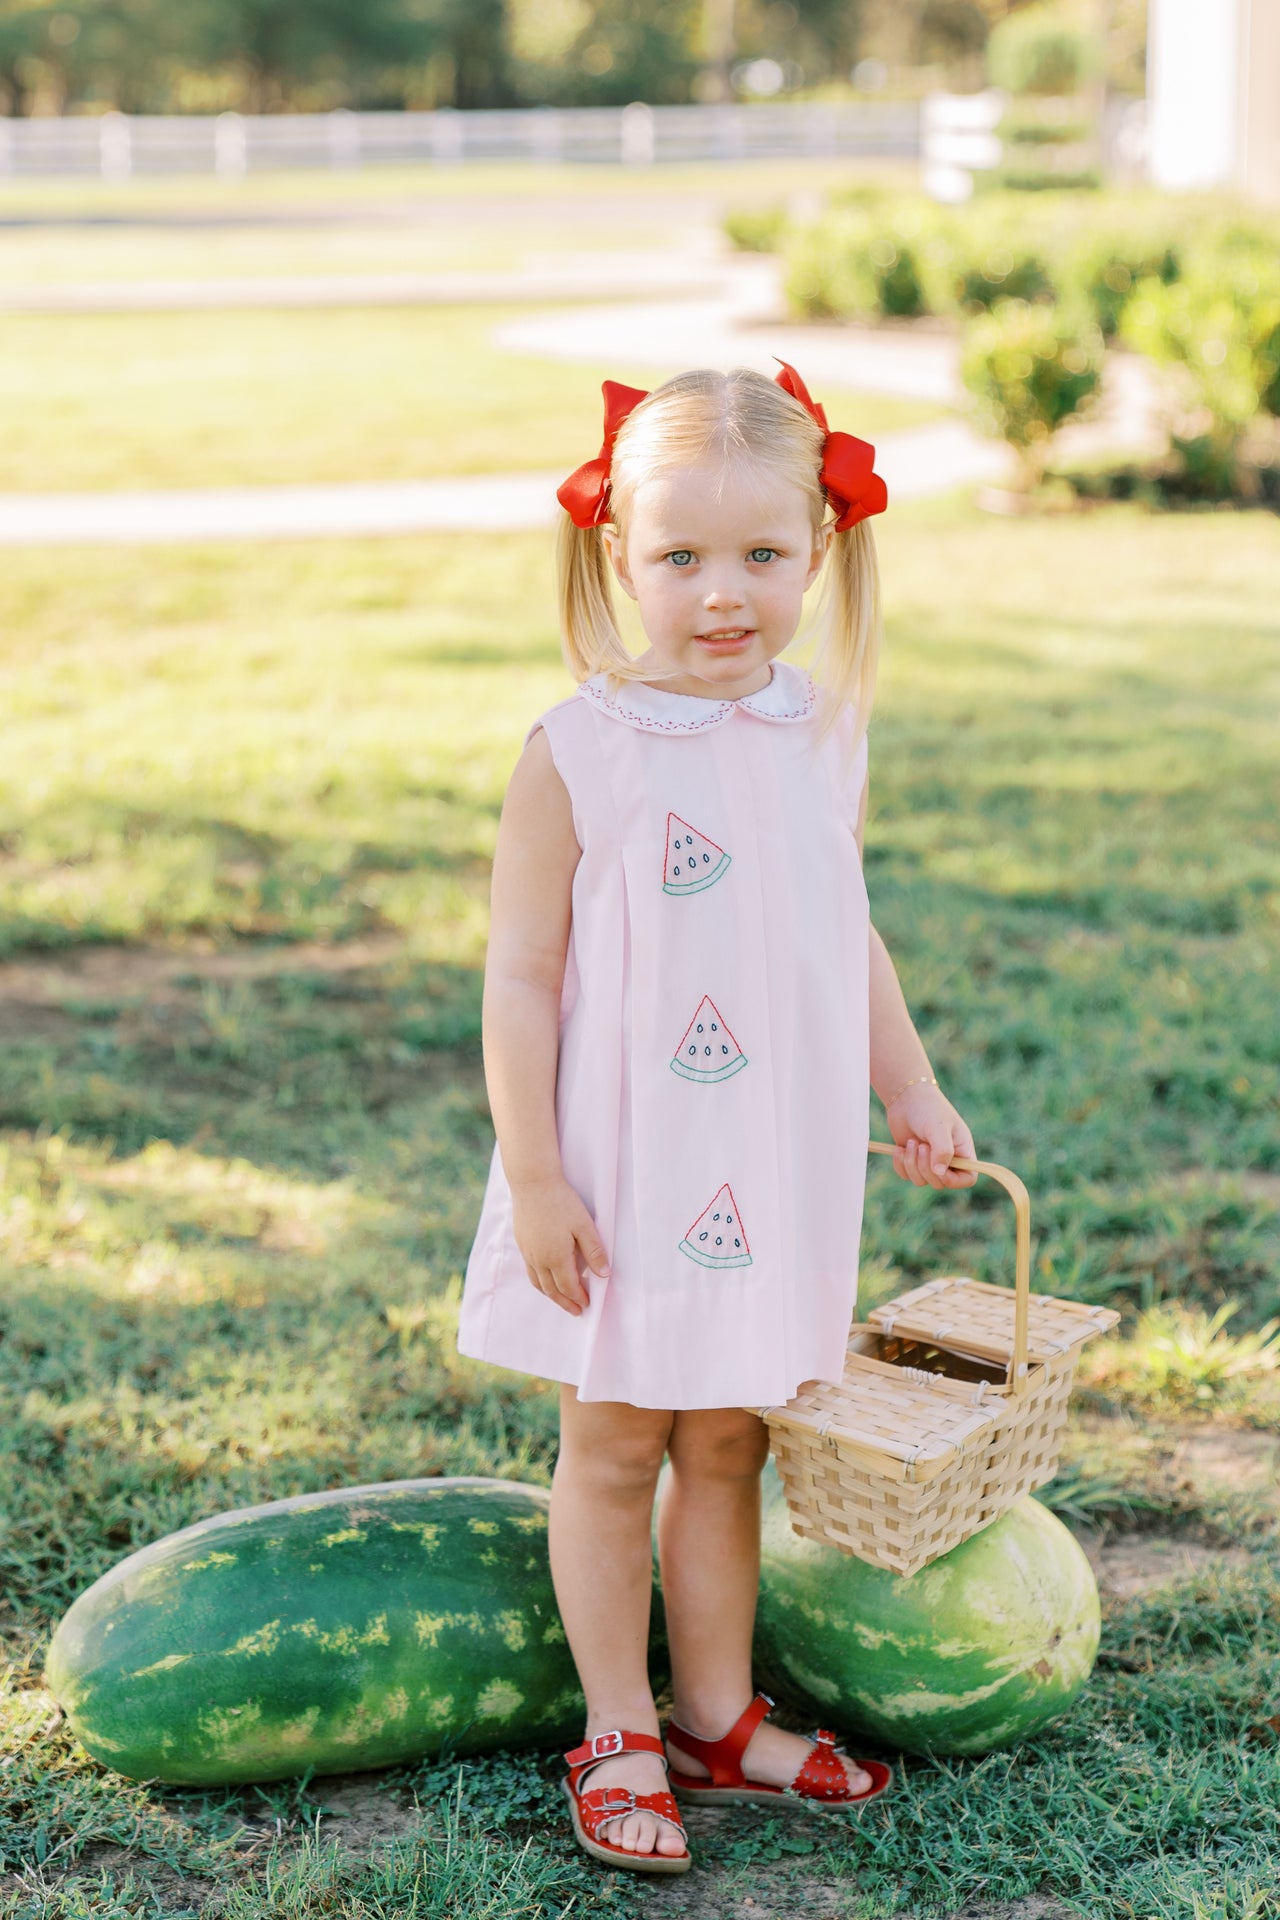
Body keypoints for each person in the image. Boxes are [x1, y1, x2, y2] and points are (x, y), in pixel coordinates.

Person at [457, 363, 978, 1874]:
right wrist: (538, 1174)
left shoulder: (821, 729)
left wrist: (913, 1084)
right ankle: (616, 1726)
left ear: (820, 548)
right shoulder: (580, 752)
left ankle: (717, 1713)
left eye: (761, 554)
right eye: (680, 557)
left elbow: (846, 929)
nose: (723, 594)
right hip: (621, 1169)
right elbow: (519, 980)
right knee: (617, 1441)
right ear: (619, 554)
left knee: (731, 1441)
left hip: (767, 1163)